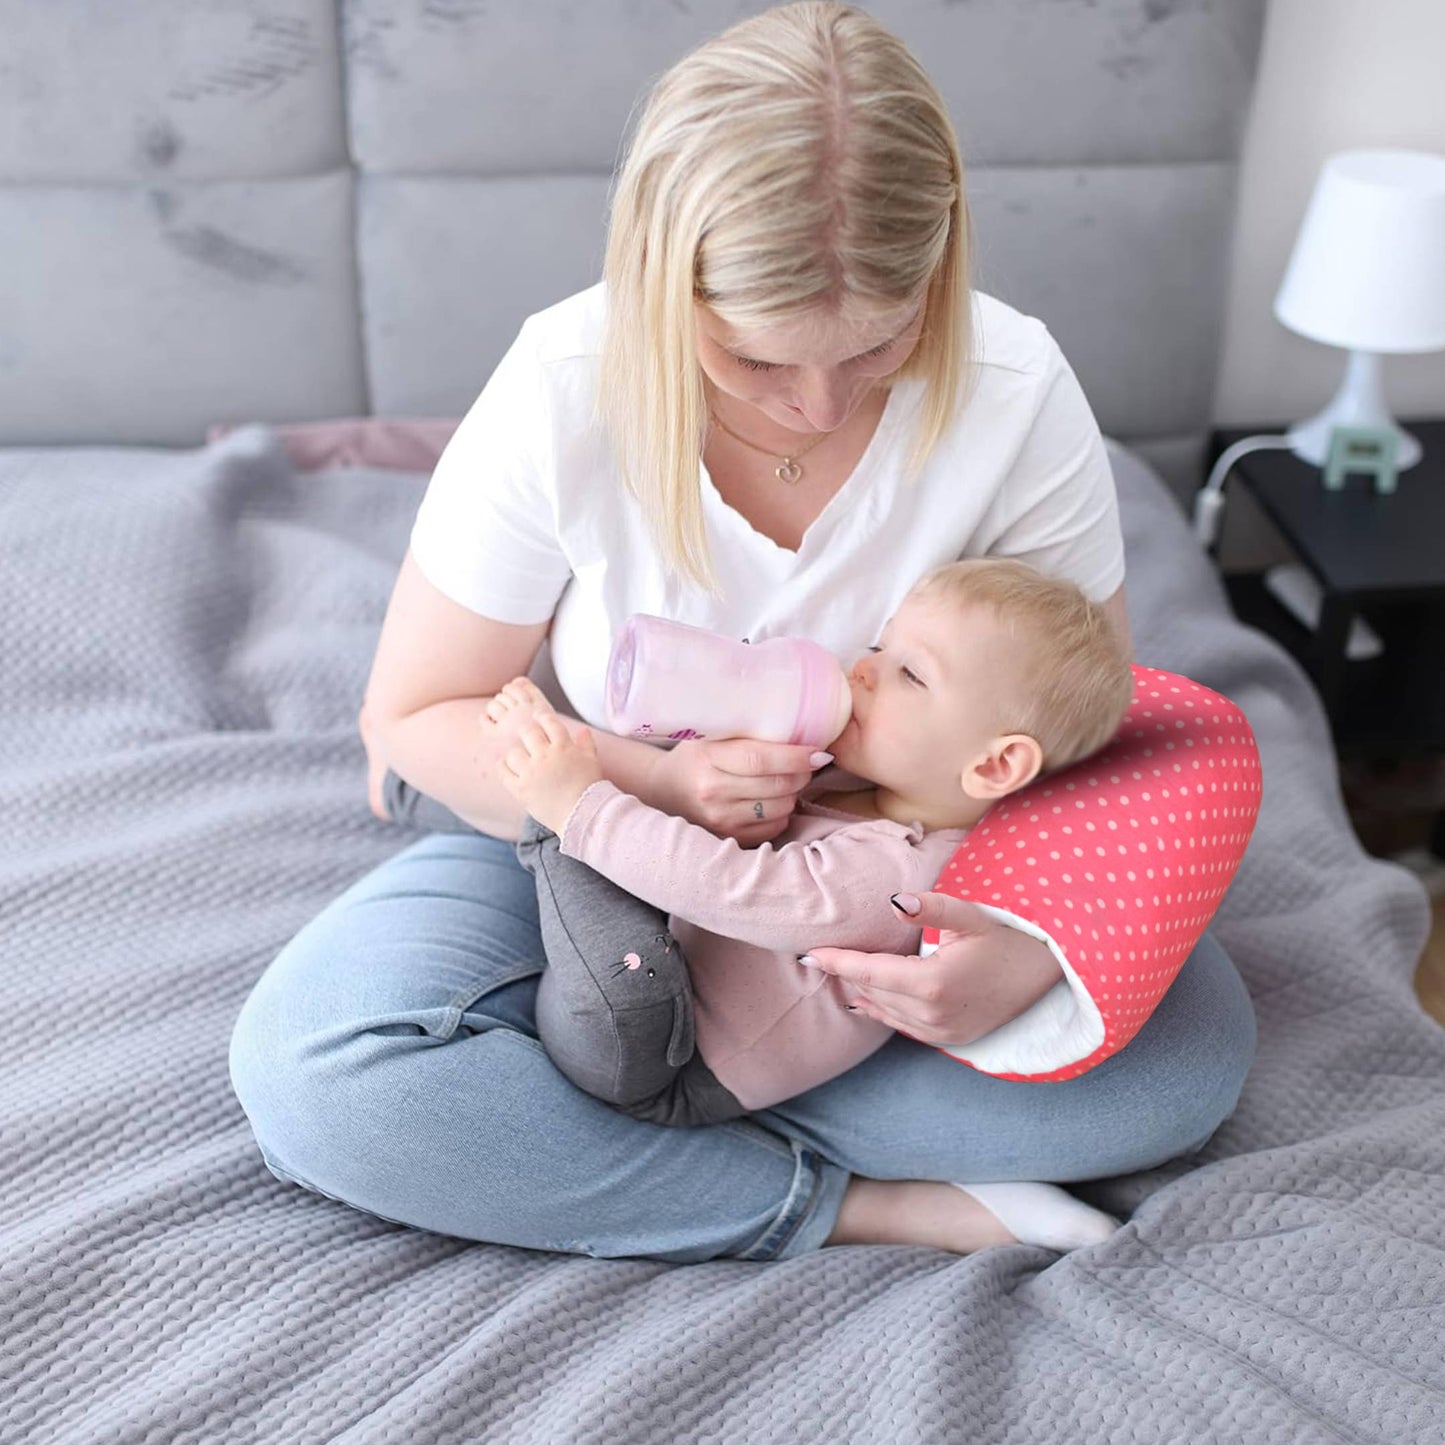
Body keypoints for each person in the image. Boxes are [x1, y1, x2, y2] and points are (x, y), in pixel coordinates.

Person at [228, 1, 1256, 1264]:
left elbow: (1079, 724)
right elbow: (413, 717)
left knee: (1185, 1067)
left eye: (879, 344)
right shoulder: (566, 385)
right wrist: (656, 783)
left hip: (895, 890)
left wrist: (1017, 944)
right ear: (667, 280)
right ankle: (852, 1202)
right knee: (320, 1070)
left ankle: (608, 1123)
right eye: (757, 362)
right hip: (599, 853)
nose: (820, 403)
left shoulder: (1012, 388)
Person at [494, 558, 1134, 1140]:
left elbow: (728, 890)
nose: (861, 668)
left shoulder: (905, 873)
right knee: (630, 819)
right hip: (671, 962)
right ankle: (561, 790)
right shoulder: (865, 778)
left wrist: (581, 808)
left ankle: (554, 814)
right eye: (881, 647)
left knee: (569, 840)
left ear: (994, 767)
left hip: (663, 1059)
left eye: (910, 674)